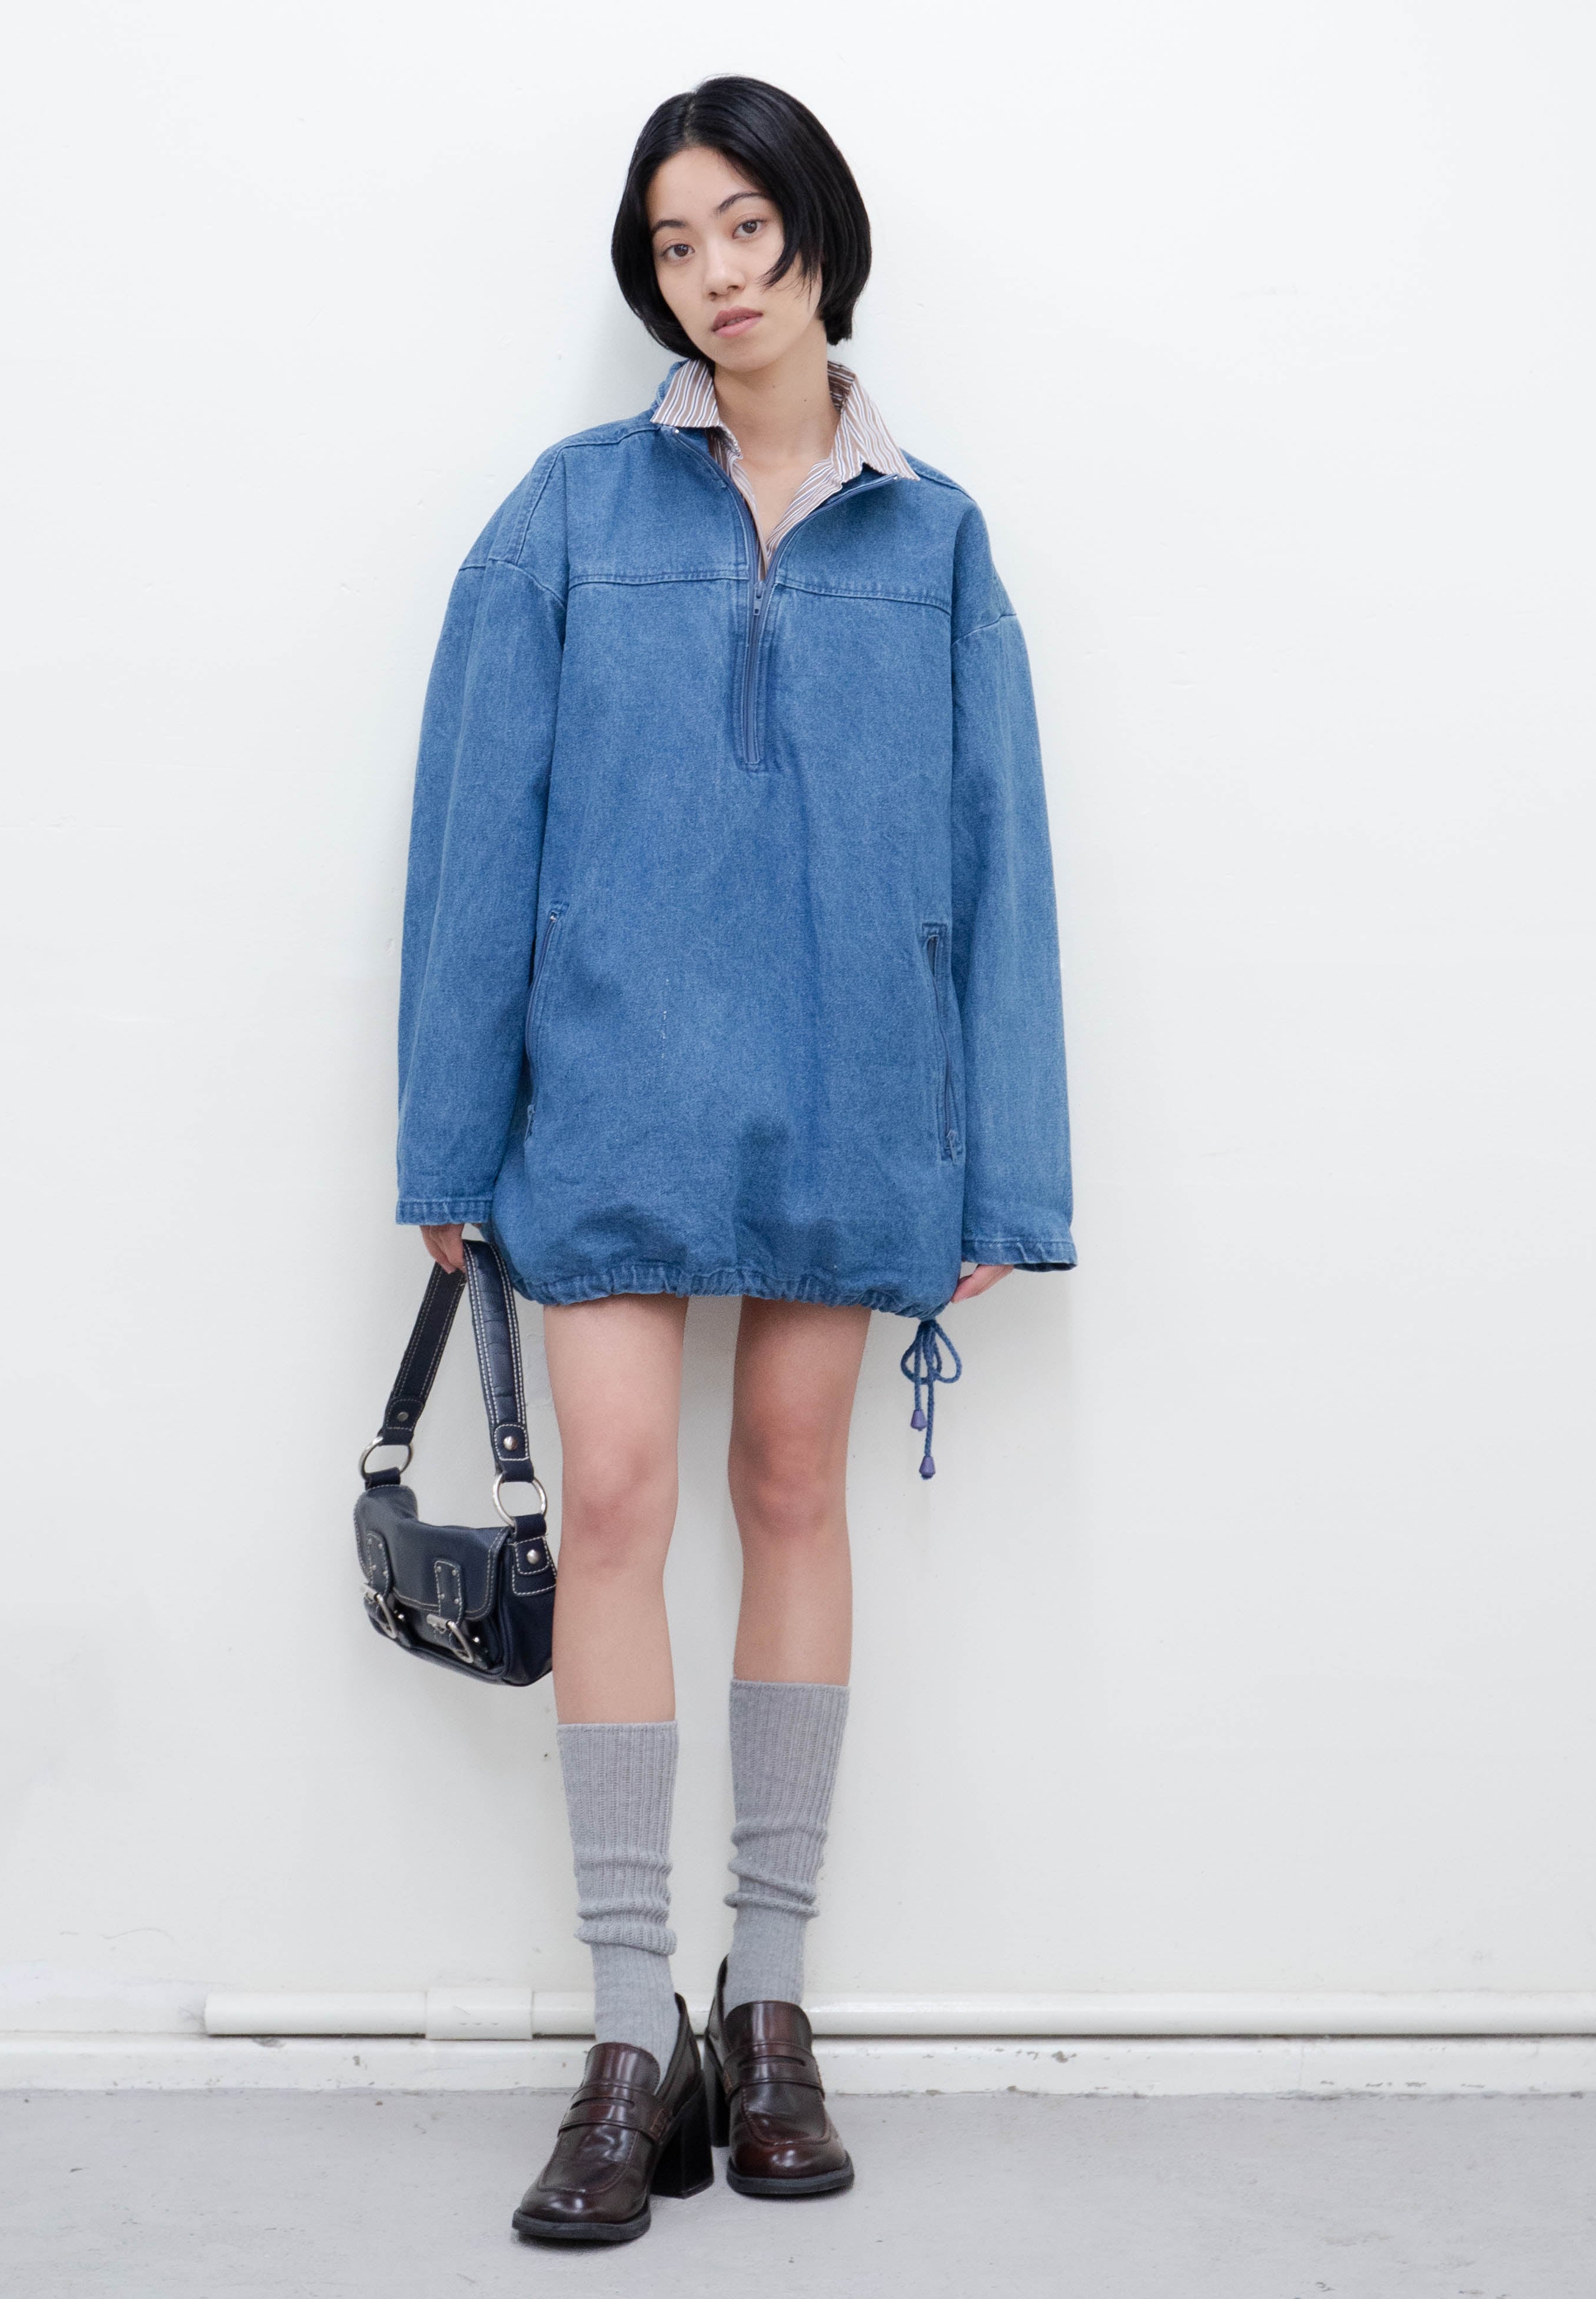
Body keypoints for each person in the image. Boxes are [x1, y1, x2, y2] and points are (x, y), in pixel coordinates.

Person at [393, 76, 1074, 2244]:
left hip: (850, 1090)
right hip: (603, 1092)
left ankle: (765, 2005)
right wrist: (448, 1131)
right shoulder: (567, 513)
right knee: (612, 1503)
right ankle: (631, 2036)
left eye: (747, 226)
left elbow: (1001, 863)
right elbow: (473, 834)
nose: (717, 273)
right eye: (677, 244)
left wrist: (1006, 1171)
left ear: (817, 232)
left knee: (792, 1490)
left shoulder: (937, 541)